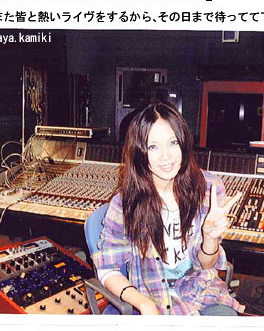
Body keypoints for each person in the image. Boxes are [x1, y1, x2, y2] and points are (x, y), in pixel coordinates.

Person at [93, 101, 245, 316]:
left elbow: (206, 265)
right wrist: (143, 304)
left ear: (184, 142)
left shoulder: (209, 190)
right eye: (153, 146)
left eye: (173, 142)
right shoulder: (125, 203)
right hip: (152, 296)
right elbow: (108, 269)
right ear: (140, 152)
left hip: (200, 291)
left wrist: (210, 238)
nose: (166, 156)